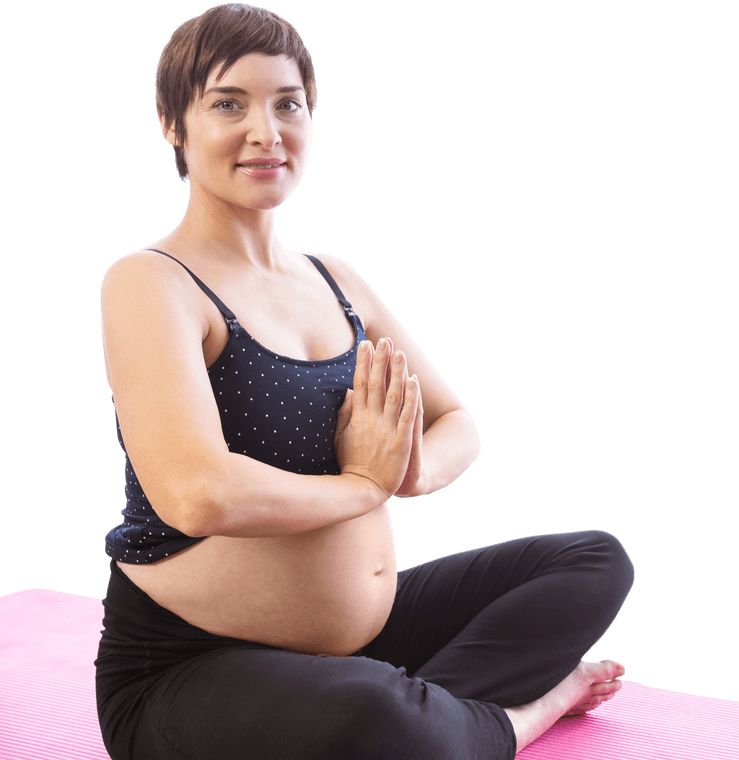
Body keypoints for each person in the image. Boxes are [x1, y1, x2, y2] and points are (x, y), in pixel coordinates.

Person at [93, 4, 634, 759]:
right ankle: (526, 713)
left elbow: (459, 425)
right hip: (184, 667)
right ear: (171, 122)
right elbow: (196, 492)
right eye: (228, 104)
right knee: (378, 719)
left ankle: (428, 720)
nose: (266, 131)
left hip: (362, 644)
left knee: (594, 560)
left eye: (288, 104)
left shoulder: (334, 279)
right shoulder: (152, 282)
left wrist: (409, 469)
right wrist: (360, 488)